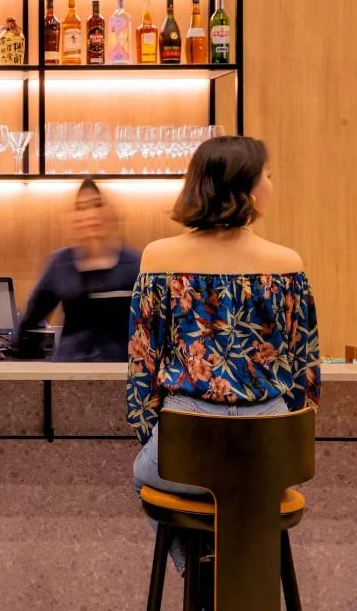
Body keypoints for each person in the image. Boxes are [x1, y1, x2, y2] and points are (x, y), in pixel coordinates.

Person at [128, 136, 320, 580]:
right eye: (268, 176)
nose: (272, 184)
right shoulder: (286, 264)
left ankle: (201, 579)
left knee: (145, 474)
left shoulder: (158, 259)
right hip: (270, 444)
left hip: (186, 440)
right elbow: (304, 372)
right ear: (247, 189)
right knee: (251, 496)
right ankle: (240, 582)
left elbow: (142, 364)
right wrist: (288, 440)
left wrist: (149, 432)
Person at [13, 178, 141, 361]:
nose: (90, 214)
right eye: (81, 207)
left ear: (111, 213)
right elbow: (30, 322)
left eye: (97, 205)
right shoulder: (60, 264)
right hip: (69, 371)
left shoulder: (135, 264)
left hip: (121, 371)